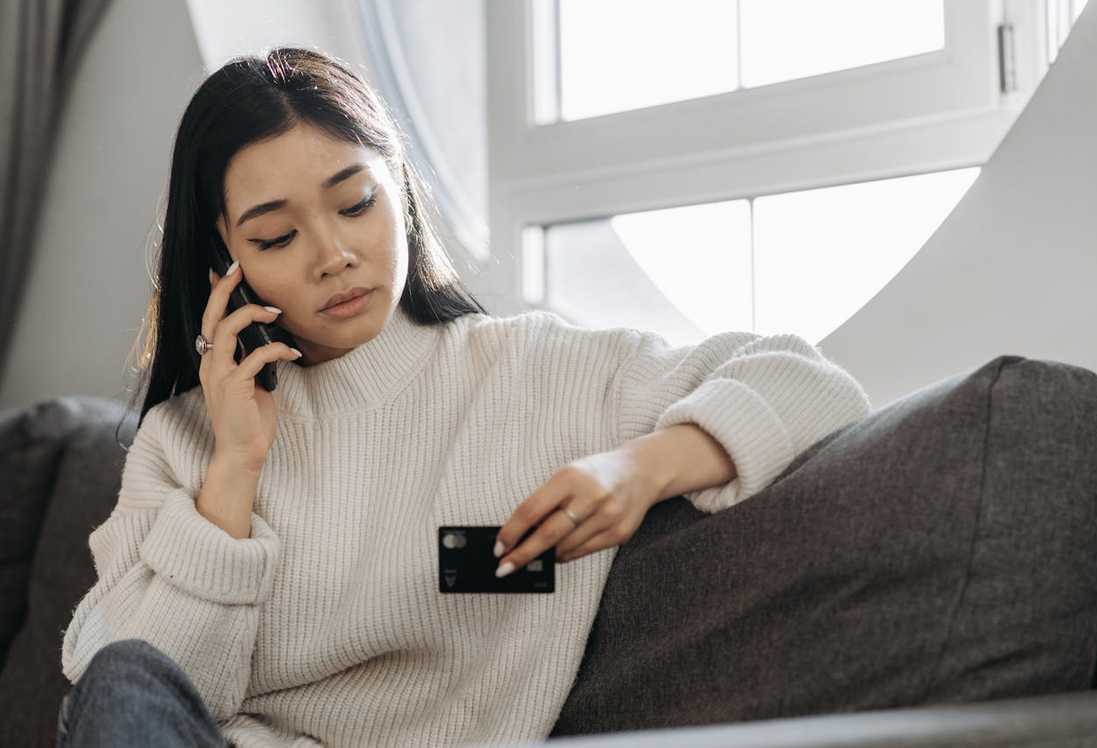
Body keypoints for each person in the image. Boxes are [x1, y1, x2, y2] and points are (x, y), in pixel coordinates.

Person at [58, 47, 873, 747]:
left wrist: (642, 468)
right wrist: (234, 468)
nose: (335, 254)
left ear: (400, 192)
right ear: (223, 262)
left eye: (355, 203)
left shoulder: (532, 372)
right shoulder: (183, 442)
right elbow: (129, 691)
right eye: (276, 236)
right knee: (126, 677)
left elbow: (808, 381)